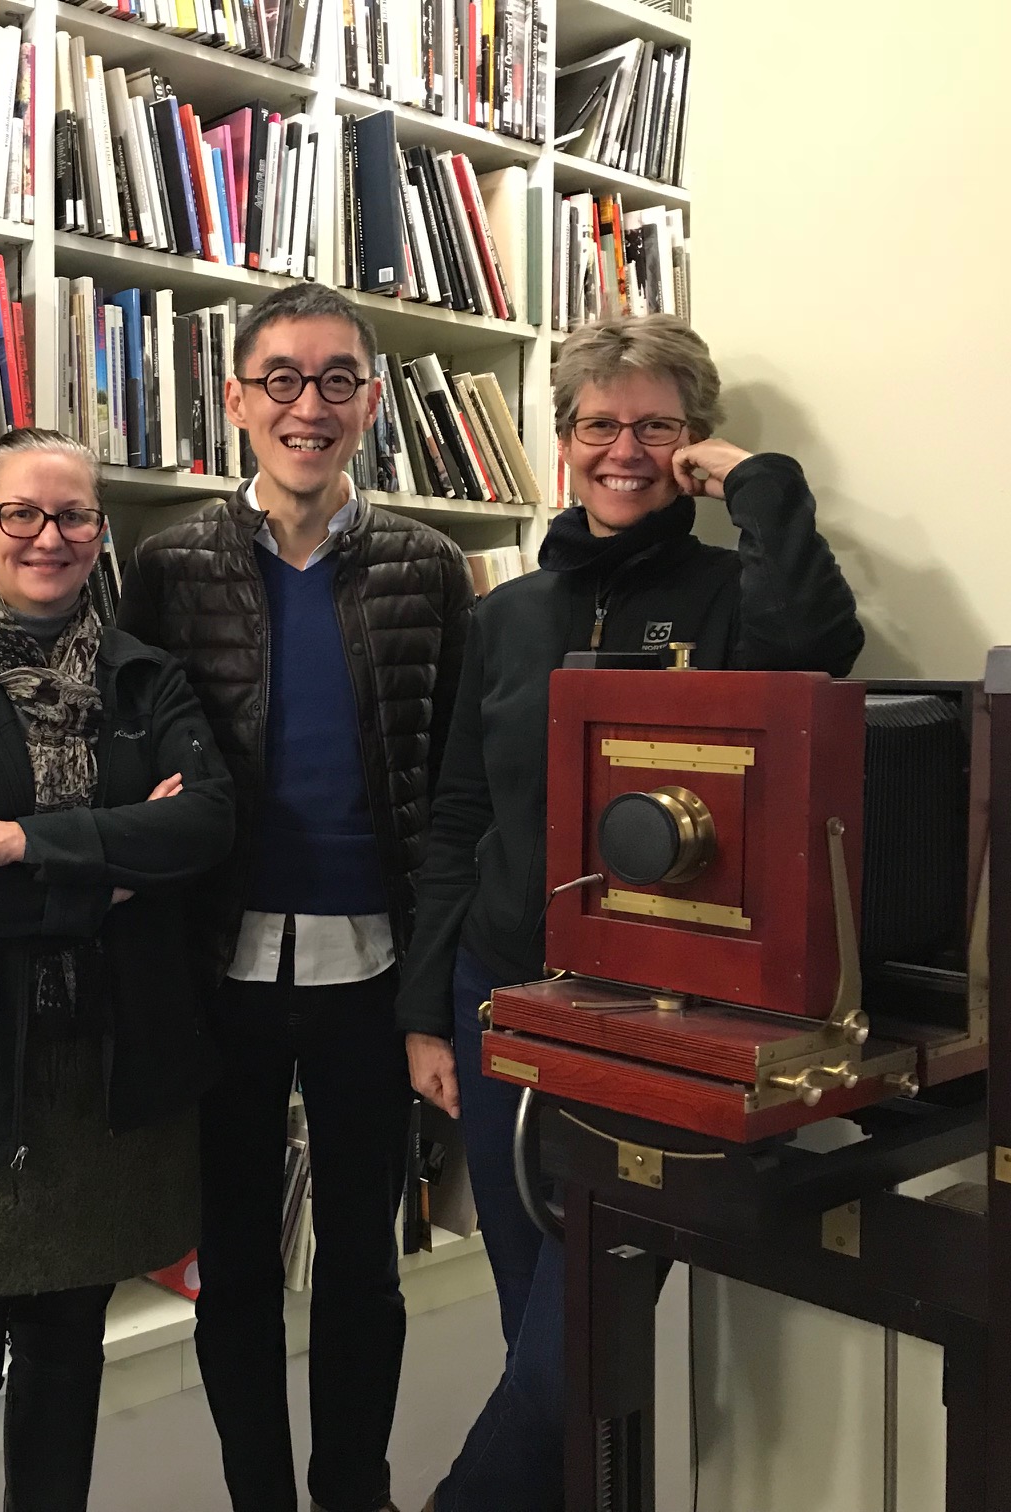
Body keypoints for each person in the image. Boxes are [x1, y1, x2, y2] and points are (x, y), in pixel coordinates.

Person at [397, 314, 865, 1510]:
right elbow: (458, 818)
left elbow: (818, 655)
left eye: (656, 427)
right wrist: (426, 1011)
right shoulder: (505, 614)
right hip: (501, 1001)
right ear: (562, 441)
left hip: (656, 1021)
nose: (624, 450)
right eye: (599, 424)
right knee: (538, 1337)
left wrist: (759, 485)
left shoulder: (731, 597)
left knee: (571, 1358)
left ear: (692, 444)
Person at [120, 282, 475, 1512]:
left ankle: (352, 1493)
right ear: (236, 399)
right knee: (234, 1267)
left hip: (372, 975)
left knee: (363, 1265)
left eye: (334, 380)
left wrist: (434, 988)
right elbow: (137, 761)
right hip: (219, 969)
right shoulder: (169, 567)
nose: (306, 406)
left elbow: (454, 787)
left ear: (370, 402)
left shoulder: (430, 567)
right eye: (280, 378)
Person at [0, 428, 235, 1512]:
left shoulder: (146, 678)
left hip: (105, 1081)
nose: (47, 536)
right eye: (20, 513)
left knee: (67, 1361)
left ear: (100, 534)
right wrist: (110, 878)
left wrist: (17, 841)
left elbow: (206, 828)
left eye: (72, 515)